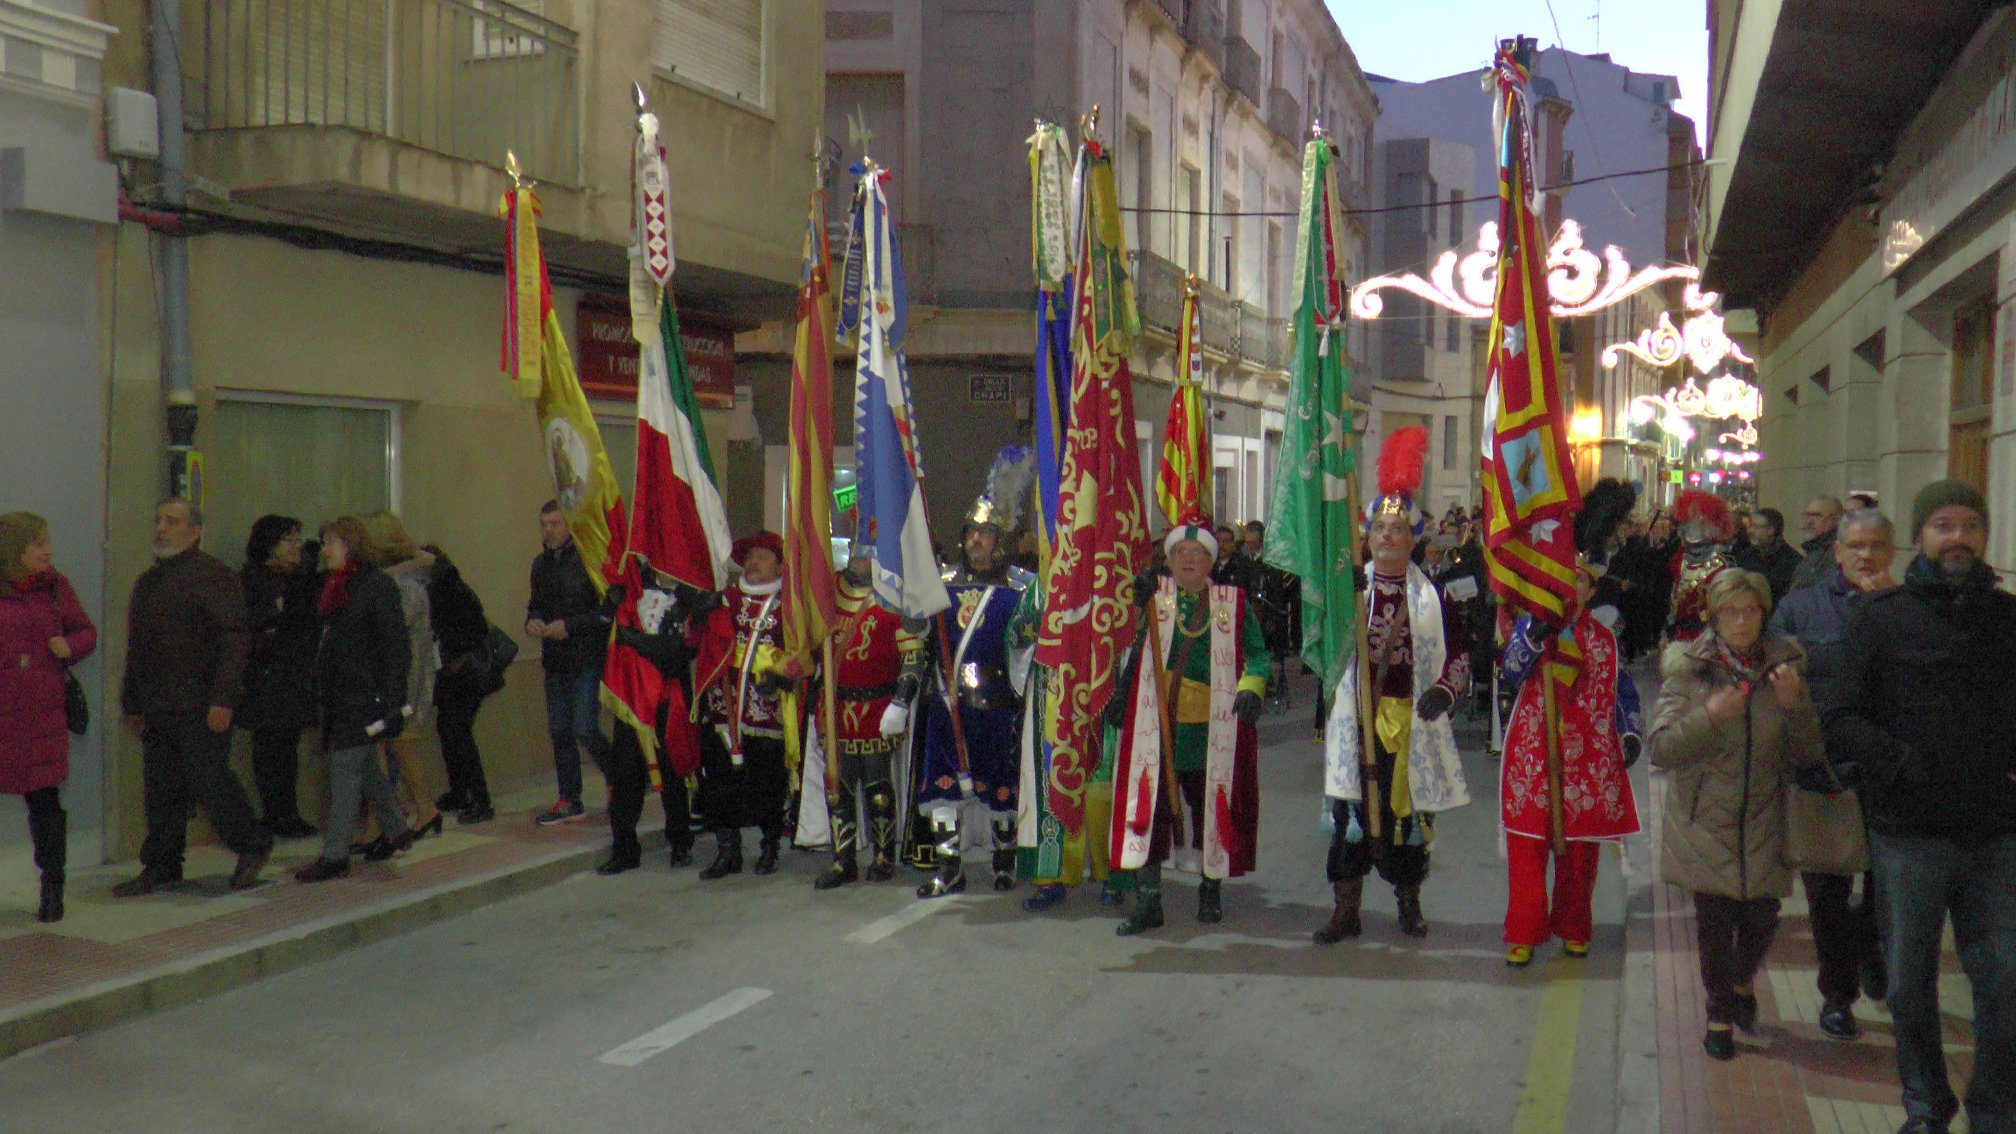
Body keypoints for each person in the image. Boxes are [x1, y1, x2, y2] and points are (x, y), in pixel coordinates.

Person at [1824, 481, 2016, 1134]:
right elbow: (1841, 718)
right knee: (1908, 983)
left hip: (1995, 833)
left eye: (1970, 524)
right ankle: (1927, 1106)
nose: (1958, 537)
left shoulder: (2007, 619)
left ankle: (1995, 1110)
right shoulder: (1881, 620)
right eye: (1943, 524)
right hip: (1909, 836)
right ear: (1919, 537)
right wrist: (1902, 765)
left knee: (2005, 980)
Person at [1650, 569, 1823, 1062]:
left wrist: (1793, 707)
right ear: (1714, 616)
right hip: (1706, 820)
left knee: (1761, 921)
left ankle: (1743, 981)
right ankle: (1719, 1015)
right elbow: (1662, 748)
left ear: (1763, 613)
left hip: (1766, 818)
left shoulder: (1785, 668)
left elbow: (1808, 753)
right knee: (1714, 926)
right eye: (1730, 612)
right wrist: (1709, 717)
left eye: (1750, 611)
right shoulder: (1691, 669)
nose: (1741, 621)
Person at [1316, 426, 1471, 943]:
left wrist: (1444, 691)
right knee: (1351, 814)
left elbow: (1460, 654)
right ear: (1367, 536)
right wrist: (1342, 606)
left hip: (1410, 727)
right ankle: (1346, 909)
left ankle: (1409, 902)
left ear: (1413, 539)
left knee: (1407, 818)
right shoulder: (1351, 592)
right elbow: (1324, 649)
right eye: (1380, 528)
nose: (1387, 536)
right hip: (1358, 721)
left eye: (1398, 529)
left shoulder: (1434, 599)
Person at [1497, 480, 1643, 966]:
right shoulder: (1532, 625)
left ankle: (1575, 924)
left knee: (1580, 853)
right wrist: (1533, 638)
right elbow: (1511, 671)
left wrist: (1629, 732)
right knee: (1528, 843)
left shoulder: (1603, 638)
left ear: (1591, 588)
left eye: (1580, 581)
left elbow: (1622, 691)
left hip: (1586, 758)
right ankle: (1524, 929)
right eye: (1566, 578)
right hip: (1534, 753)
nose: (1572, 587)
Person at [1769, 508, 1897, 1041]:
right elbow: (1777, 671)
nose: (1866, 555)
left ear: (1892, 552)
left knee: (1885, 889)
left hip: (1887, 773)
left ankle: (1870, 949)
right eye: (1856, 546)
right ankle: (1837, 994)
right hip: (1823, 769)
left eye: (1876, 546)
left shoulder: (1905, 610)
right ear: (1838, 552)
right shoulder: (1800, 609)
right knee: (1826, 892)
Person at [1105, 519, 1268, 935]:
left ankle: (1210, 890)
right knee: (1150, 809)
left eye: (1198, 554)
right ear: (1169, 560)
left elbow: (1258, 655)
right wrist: (1122, 695)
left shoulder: (1233, 603)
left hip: (1212, 732)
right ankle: (1148, 902)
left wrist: (1251, 689)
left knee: (1212, 808)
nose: (1189, 560)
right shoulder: (1155, 598)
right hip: (1158, 726)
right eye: (1181, 553)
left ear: (1212, 561)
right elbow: (1131, 646)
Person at [115, 499, 272, 897]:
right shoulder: (149, 582)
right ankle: (163, 864)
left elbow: (233, 641)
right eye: (159, 521)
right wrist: (132, 701)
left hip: (201, 702)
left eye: (172, 522)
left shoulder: (214, 577)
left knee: (208, 779)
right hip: (158, 702)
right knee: (161, 786)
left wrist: (225, 698)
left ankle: (252, 841)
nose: (161, 528)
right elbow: (138, 647)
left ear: (195, 532)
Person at [912, 496, 1030, 898]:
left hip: (998, 703)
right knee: (942, 789)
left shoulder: (1021, 586)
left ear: (999, 540)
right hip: (949, 703)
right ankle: (949, 869)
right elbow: (918, 634)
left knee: (1001, 786)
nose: (976, 539)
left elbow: (1030, 645)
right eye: (971, 532)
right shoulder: (942, 584)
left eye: (985, 533)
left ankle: (1004, 862)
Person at [295, 517, 417, 881]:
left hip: (365, 695)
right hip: (339, 694)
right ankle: (397, 829)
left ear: (351, 544)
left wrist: (392, 699)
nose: (326, 550)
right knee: (363, 766)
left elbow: (396, 646)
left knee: (345, 769)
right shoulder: (333, 585)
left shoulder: (376, 586)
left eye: (331, 542)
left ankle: (335, 854)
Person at [0, 513, 97, 922]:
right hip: (4, 714)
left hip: (42, 717)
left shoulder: (55, 587)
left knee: (46, 807)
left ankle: (53, 886)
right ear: (15, 548)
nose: (49, 550)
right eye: (39, 543)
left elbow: (86, 632)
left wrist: (69, 646)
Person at [811, 552, 921, 889]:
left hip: (877, 707)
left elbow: (913, 656)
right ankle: (843, 859)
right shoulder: (828, 593)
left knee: (877, 786)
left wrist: (901, 702)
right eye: (857, 549)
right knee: (838, 787)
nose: (861, 558)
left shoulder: (895, 596)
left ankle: (883, 854)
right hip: (837, 706)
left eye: (869, 551)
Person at [691, 531, 798, 879]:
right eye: (750, 557)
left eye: (762, 557)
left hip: (766, 714)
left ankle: (770, 846)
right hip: (723, 711)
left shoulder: (789, 606)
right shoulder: (728, 600)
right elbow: (697, 639)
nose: (753, 563)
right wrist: (699, 611)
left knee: (767, 783)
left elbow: (802, 654)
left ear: (779, 566)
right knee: (720, 783)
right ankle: (728, 850)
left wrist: (781, 677)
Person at [601, 576, 709, 874]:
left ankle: (680, 841)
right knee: (625, 772)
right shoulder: (632, 590)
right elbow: (607, 636)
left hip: (669, 696)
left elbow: (680, 650)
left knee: (673, 771)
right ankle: (624, 848)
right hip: (633, 698)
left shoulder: (690, 600)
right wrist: (609, 609)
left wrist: (635, 640)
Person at [527, 501, 611, 826]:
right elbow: (535, 604)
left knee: (585, 726)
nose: (548, 531)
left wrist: (570, 626)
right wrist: (533, 621)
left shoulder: (589, 560)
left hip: (586, 656)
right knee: (559, 730)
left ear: (570, 526)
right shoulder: (540, 565)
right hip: (555, 659)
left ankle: (618, 776)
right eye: (544, 524)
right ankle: (569, 798)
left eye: (555, 524)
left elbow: (605, 614)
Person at [236, 515, 321, 839]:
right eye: (289, 539)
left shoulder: (300, 580)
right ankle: (275, 813)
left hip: (295, 674)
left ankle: (289, 812)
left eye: (298, 539)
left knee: (288, 747)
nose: (296, 546)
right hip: (266, 677)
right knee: (270, 747)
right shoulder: (253, 580)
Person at [363, 512, 442, 839]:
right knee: (393, 745)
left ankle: (387, 819)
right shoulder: (406, 577)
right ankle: (420, 810)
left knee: (389, 742)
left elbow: (391, 628)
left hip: (404, 677)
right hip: (403, 674)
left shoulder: (404, 584)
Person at [423, 544, 496, 825]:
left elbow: (475, 630)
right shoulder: (445, 588)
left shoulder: (451, 590)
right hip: (450, 673)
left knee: (458, 732)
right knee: (448, 730)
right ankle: (460, 791)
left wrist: (446, 642)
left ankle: (480, 799)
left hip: (462, 672)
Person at [1666, 490, 1738, 643]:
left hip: (1708, 638)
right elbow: (1673, 600)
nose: (1686, 527)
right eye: (1686, 521)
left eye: (1695, 521)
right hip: (1679, 635)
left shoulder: (1721, 565)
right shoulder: (1680, 560)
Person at [1788, 495, 1844, 594]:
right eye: (1807, 515)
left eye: (1817, 516)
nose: (1809, 522)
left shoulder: (1837, 553)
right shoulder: (1813, 551)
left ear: (1837, 520)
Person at [1744, 508, 1802, 603]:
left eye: (1755, 527)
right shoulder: (1745, 556)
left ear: (1770, 530)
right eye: (1750, 526)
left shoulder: (1792, 562)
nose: (1750, 531)